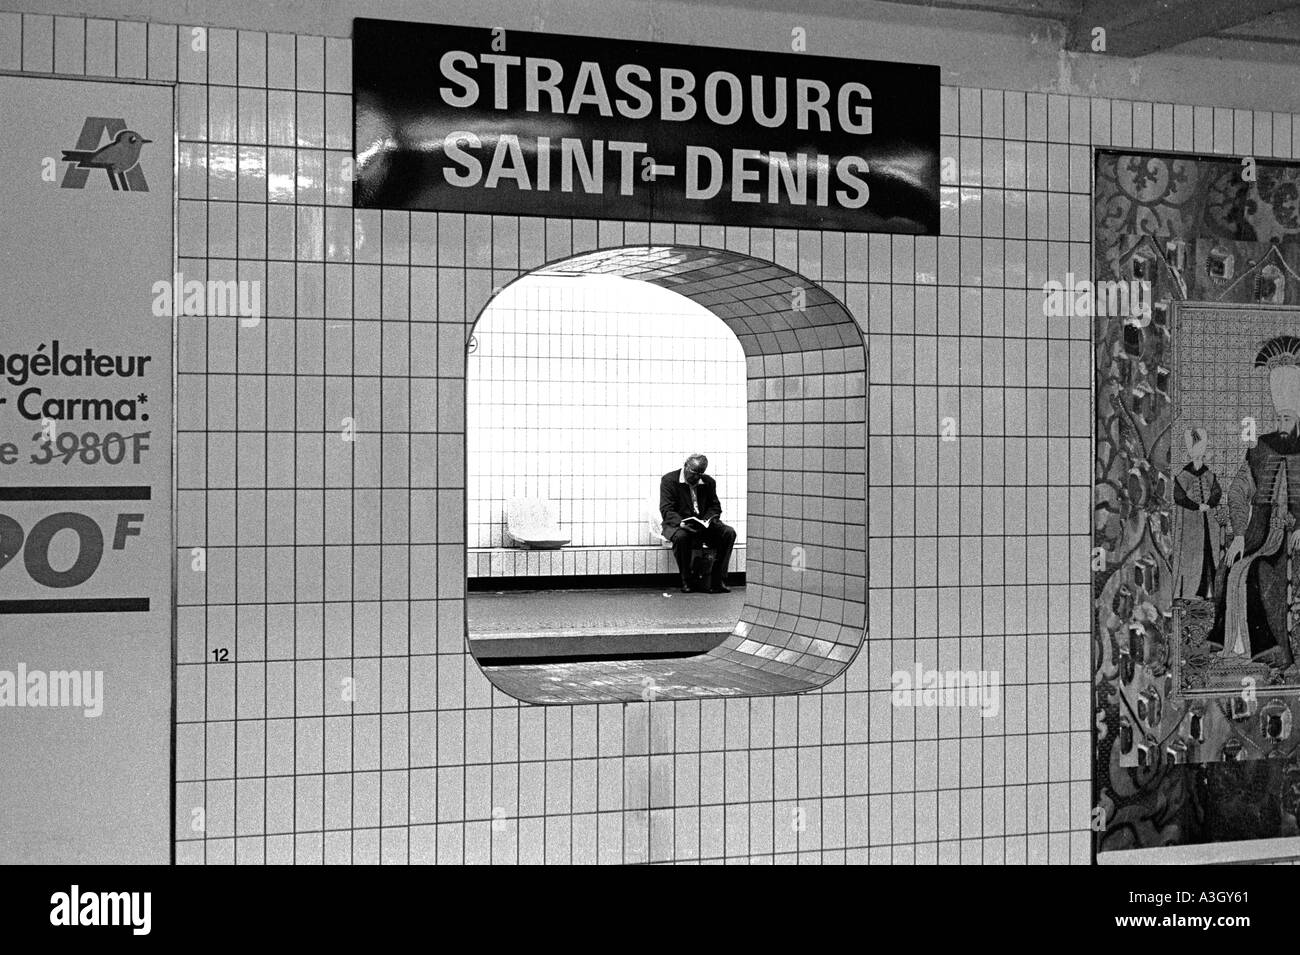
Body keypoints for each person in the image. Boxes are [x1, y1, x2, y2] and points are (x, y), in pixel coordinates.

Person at [1212, 335, 1300, 668]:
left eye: (1288, 420)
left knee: (1260, 573)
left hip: (1288, 536)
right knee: (1231, 567)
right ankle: (1234, 646)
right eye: (1279, 419)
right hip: (1258, 531)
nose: (1282, 426)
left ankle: (1267, 650)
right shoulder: (1261, 448)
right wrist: (1238, 533)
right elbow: (1237, 490)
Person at [659, 454, 737, 594]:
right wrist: (680, 523)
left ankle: (717, 579)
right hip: (679, 524)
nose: (696, 478)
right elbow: (666, 509)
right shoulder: (669, 480)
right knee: (681, 537)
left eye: (700, 474)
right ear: (686, 466)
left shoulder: (708, 482)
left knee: (729, 533)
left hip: (702, 525)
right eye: (694, 473)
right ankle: (686, 580)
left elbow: (715, 506)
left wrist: (708, 519)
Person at [1173, 427, 1224, 599]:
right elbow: (1179, 497)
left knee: (1211, 554)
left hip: (1208, 523)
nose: (1198, 460)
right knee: (1196, 557)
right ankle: (1194, 591)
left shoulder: (1207, 473)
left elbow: (1217, 491)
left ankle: (1212, 591)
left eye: (1200, 456)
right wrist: (1196, 506)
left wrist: (1209, 504)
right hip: (1192, 525)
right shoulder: (1184, 475)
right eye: (1195, 456)